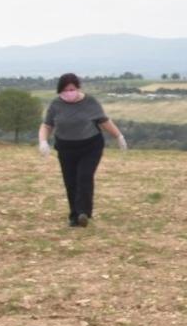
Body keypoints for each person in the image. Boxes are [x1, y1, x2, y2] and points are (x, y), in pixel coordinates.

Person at [38, 73, 127, 227]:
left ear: (78, 88)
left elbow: (104, 121)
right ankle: (74, 216)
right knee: (70, 181)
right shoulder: (55, 105)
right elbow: (47, 125)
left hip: (90, 146)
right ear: (60, 91)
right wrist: (43, 141)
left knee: (84, 177)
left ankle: (83, 213)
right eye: (65, 90)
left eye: (72, 89)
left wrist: (118, 136)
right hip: (66, 148)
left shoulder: (90, 102)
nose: (69, 93)